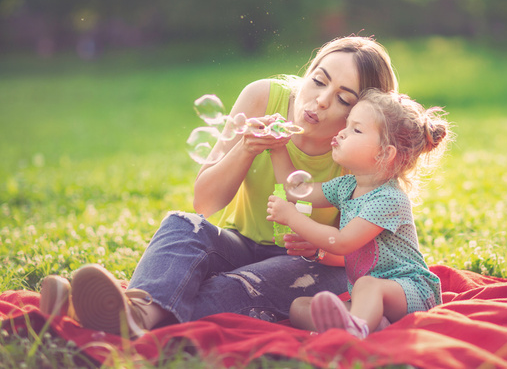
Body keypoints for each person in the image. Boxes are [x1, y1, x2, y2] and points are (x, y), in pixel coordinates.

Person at [39, 36, 398, 338]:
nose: (320, 100)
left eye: (343, 99)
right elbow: (204, 203)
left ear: (362, 114)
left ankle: (103, 313)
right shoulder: (264, 98)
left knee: (238, 285)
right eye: (319, 80)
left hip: (310, 265)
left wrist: (319, 247)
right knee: (183, 225)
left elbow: (366, 254)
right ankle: (133, 318)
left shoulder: (360, 151)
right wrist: (245, 147)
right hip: (239, 243)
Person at [265, 89, 452, 338]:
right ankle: (373, 325)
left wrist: (292, 218)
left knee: (367, 284)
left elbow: (342, 242)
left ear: (385, 153)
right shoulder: (346, 185)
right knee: (299, 307)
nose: (341, 132)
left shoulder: (389, 198)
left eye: (356, 129)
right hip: (369, 298)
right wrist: (277, 147)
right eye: (347, 125)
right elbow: (296, 189)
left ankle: (353, 332)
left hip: (412, 292)